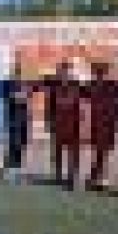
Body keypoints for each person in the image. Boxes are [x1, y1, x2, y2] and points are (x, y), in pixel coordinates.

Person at [45, 61, 83, 189]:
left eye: (66, 71)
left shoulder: (76, 86)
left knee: (73, 152)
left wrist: (80, 123)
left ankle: (72, 177)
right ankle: (58, 176)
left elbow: (81, 106)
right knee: (57, 151)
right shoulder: (54, 88)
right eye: (61, 71)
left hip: (73, 124)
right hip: (58, 123)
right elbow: (49, 106)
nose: (63, 74)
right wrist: (49, 121)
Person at [85, 61, 118, 191]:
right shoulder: (91, 86)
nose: (100, 75)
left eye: (102, 72)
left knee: (103, 152)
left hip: (108, 123)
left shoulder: (113, 86)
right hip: (97, 123)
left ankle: (96, 176)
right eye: (98, 72)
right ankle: (95, 176)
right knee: (98, 151)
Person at [2, 63, 31, 177]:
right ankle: (11, 166)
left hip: (22, 118)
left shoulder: (24, 85)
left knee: (21, 142)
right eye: (16, 72)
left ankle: (17, 166)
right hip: (13, 118)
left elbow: (26, 100)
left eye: (19, 72)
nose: (17, 75)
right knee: (13, 141)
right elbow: (8, 99)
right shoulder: (8, 85)